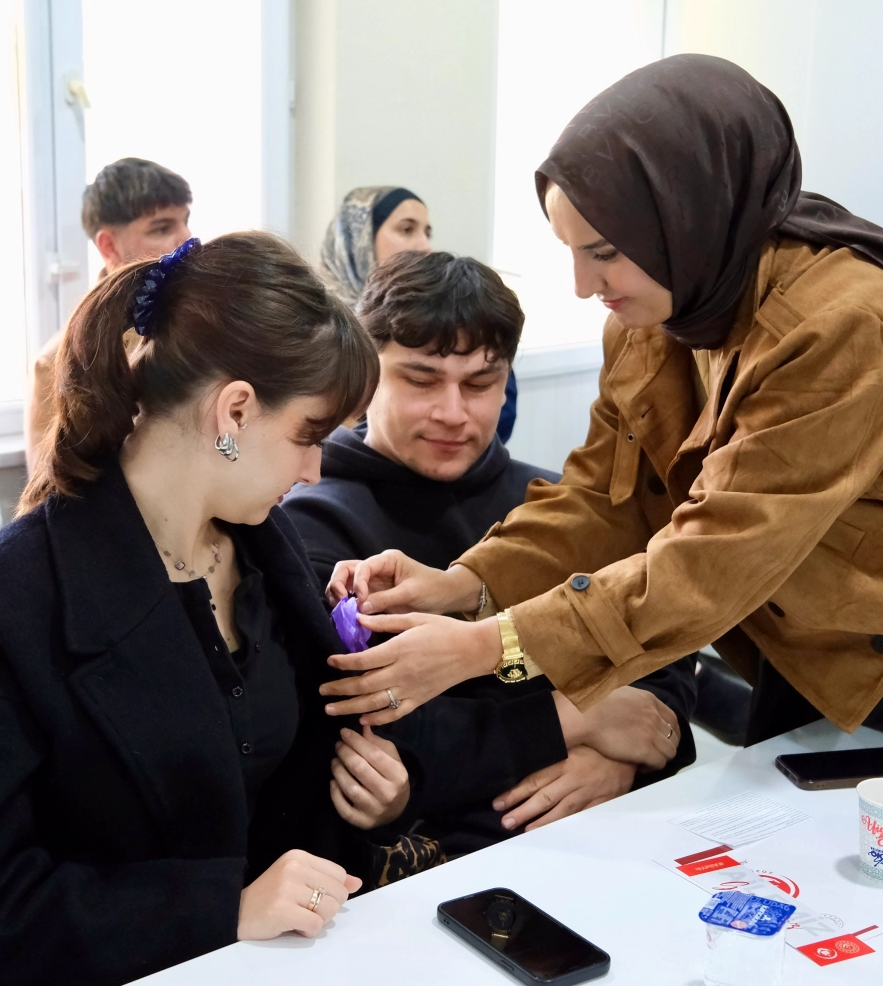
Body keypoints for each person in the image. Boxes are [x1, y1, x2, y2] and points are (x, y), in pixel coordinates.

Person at [317, 55, 883, 803]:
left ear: (686, 216)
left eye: (602, 252)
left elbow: (709, 562)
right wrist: (465, 584)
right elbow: (607, 501)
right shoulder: (659, 313)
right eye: (569, 251)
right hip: (817, 622)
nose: (581, 285)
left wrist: (484, 647)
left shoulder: (844, 327)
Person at [0, 233, 409, 986]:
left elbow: (278, 782)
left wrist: (375, 803)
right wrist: (221, 910)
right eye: (307, 434)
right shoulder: (9, 604)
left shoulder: (266, 550)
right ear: (234, 411)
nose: (313, 472)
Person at [285, 250, 692, 854]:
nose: (452, 413)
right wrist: (582, 719)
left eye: (480, 384)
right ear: (366, 374)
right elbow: (362, 741)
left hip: (607, 837)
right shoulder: (311, 522)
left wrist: (621, 764)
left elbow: (666, 666)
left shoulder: (558, 509)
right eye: (421, 380)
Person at [24, 157, 193, 469]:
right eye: (162, 228)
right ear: (109, 247)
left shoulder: (200, 324)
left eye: (186, 221)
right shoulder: (59, 363)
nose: (188, 238)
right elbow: (52, 489)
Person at [318, 186, 521, 442]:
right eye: (407, 230)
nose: (424, 245)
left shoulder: (459, 313)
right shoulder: (316, 330)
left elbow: (499, 421)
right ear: (358, 239)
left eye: (427, 232)